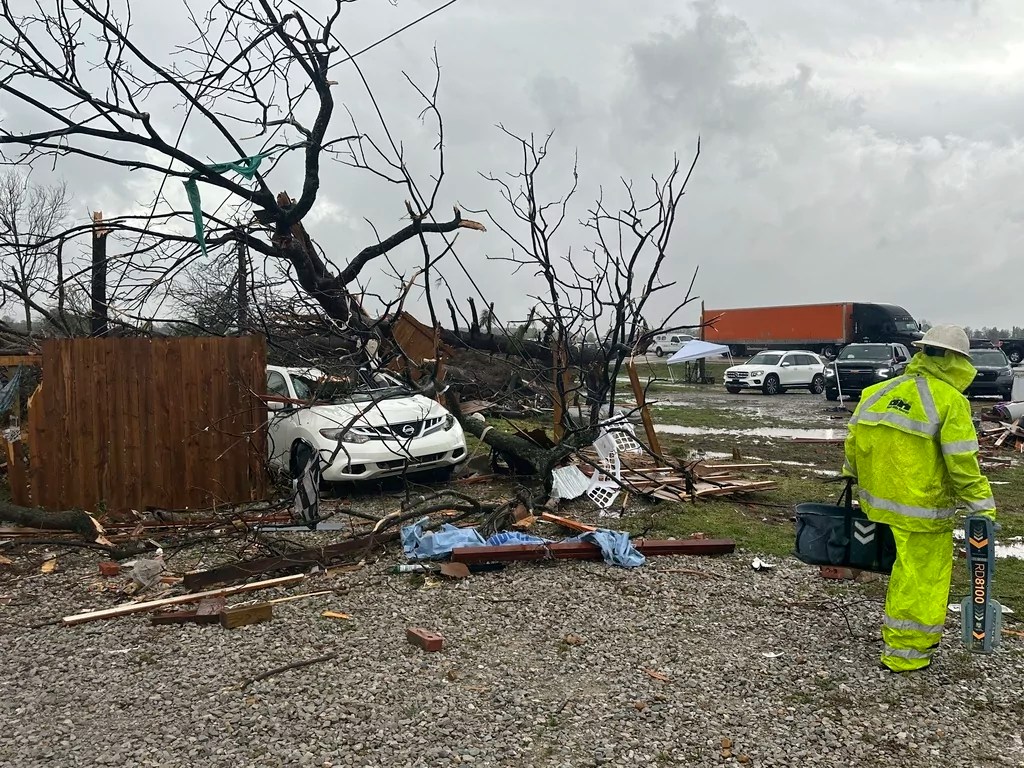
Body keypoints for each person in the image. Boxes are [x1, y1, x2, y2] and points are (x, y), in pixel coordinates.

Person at [842, 324, 996, 672]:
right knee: (919, 581)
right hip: (923, 511)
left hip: (877, 504)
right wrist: (982, 505)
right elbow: (961, 464)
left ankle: (901, 642)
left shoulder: (877, 392)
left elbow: (852, 448)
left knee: (901, 574)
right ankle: (905, 655)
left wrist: (857, 480)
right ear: (958, 360)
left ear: (923, 352)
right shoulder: (950, 402)